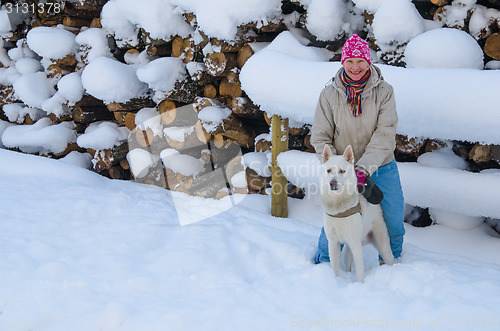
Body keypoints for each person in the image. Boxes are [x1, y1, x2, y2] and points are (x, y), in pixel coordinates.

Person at [310, 34, 405, 264]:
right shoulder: (329, 94)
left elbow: (385, 133)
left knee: (392, 215)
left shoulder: (384, 92)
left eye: (360, 61)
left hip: (381, 165)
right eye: (349, 61)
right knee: (337, 214)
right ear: (342, 62)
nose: (355, 67)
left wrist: (363, 169)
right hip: (343, 170)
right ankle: (324, 264)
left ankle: (392, 261)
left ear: (368, 62)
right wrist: (339, 166)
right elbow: (321, 135)